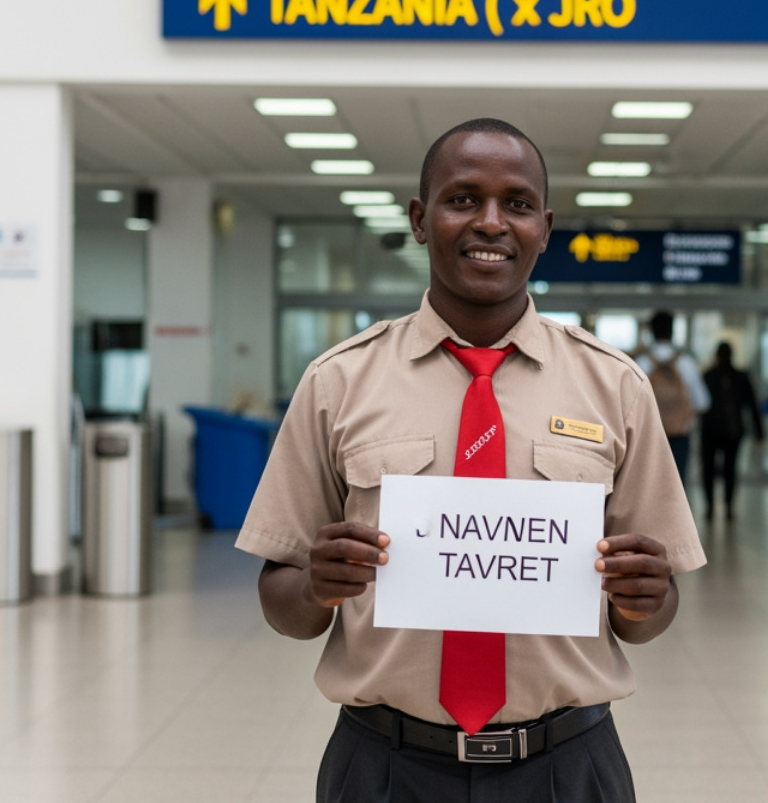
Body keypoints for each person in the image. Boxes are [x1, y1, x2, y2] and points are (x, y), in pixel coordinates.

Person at [236, 117, 704, 803]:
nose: (491, 222)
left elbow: (649, 618)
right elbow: (285, 605)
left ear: (545, 228)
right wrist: (315, 584)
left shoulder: (616, 387)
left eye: (516, 204)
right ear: (421, 219)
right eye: (463, 200)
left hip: (568, 766)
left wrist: (649, 596)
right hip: (385, 766)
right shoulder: (338, 383)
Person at [634, 310, 709, 485]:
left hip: (648, 433)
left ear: (651, 332)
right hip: (680, 432)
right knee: (677, 482)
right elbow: (703, 402)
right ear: (672, 331)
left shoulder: (641, 363)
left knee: (647, 483)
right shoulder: (686, 363)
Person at [698, 341, 764, 521]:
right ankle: (726, 506)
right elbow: (752, 406)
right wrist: (759, 433)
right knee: (729, 470)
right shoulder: (738, 377)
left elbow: (699, 405)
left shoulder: (709, 376)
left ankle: (711, 506)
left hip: (713, 431)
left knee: (710, 470)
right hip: (731, 432)